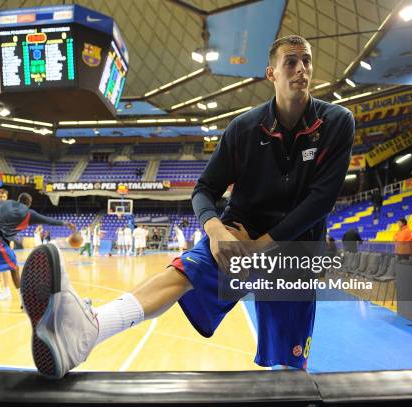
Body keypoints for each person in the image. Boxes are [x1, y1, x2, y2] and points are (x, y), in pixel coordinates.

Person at [20, 35, 355, 378]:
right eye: (291, 62)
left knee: (290, 361)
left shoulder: (338, 122)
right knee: (182, 272)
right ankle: (87, 333)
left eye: (307, 61)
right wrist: (214, 230)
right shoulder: (243, 128)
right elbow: (204, 189)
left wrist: (259, 247)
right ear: (271, 73)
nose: (301, 69)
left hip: (294, 246)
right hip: (237, 236)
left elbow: (321, 201)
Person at [0, 193, 75, 319]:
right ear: (29, 204)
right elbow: (47, 220)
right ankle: (24, 304)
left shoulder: (3, 203)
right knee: (14, 269)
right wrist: (65, 223)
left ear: (18, 200)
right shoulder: (28, 213)